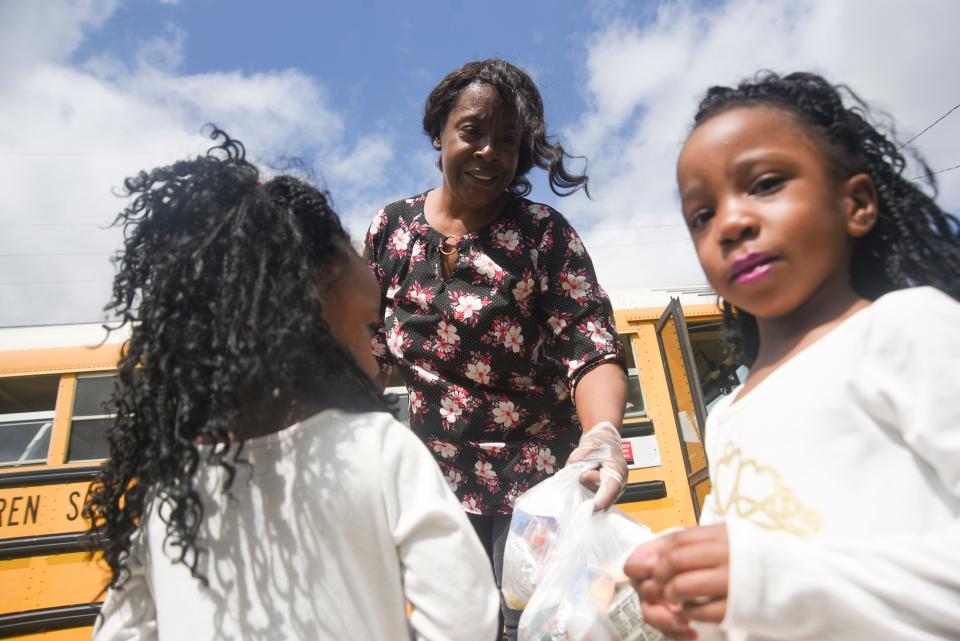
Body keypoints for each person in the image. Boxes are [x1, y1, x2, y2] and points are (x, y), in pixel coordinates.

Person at [86, 129, 499, 641]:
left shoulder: (170, 490)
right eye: (371, 329)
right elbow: (466, 618)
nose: (380, 359)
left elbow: (120, 631)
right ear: (307, 319)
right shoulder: (379, 449)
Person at [624, 71, 960, 641]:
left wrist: (763, 583)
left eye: (766, 183)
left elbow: (775, 584)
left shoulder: (906, 329)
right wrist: (696, 611)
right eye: (702, 216)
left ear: (855, 203)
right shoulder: (727, 418)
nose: (731, 222)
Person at [363, 58, 628, 639]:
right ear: (438, 133)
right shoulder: (392, 229)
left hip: (537, 486)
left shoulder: (543, 234)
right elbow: (368, 352)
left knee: (534, 627)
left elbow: (590, 343)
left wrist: (602, 435)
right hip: (435, 491)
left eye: (507, 140)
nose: (489, 152)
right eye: (472, 131)